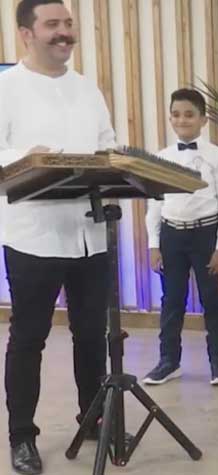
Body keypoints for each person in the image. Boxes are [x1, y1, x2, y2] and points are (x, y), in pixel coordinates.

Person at [0, 1, 116, 473]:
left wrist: (113, 159)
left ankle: (93, 419)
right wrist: (29, 157)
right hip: (34, 235)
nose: (64, 32)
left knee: (91, 335)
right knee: (29, 338)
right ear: (26, 33)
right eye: (53, 25)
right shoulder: (6, 88)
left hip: (90, 231)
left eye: (68, 24)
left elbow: (107, 143)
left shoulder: (87, 88)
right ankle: (21, 437)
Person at [142, 88, 218, 386]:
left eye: (189, 115)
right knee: (171, 300)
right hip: (172, 234)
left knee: (213, 299)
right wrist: (154, 245)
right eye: (176, 115)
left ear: (203, 120)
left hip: (206, 233)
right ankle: (169, 361)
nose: (182, 120)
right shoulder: (162, 157)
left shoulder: (216, 156)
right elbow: (154, 204)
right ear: (170, 118)